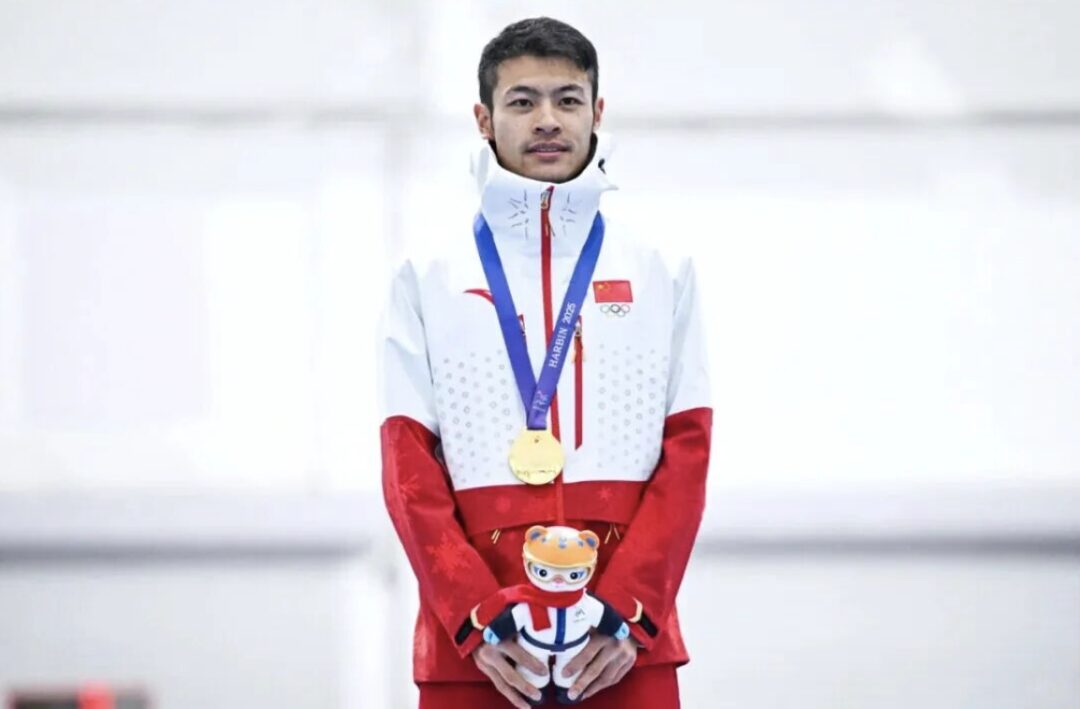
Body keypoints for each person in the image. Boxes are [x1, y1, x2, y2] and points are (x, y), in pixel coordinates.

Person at [379, 16, 712, 709]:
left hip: (623, 647)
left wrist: (629, 613)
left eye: (567, 99)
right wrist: (475, 615)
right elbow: (407, 466)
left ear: (597, 111)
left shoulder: (660, 269)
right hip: (478, 648)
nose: (548, 120)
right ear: (484, 118)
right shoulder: (428, 275)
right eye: (523, 100)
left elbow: (688, 452)